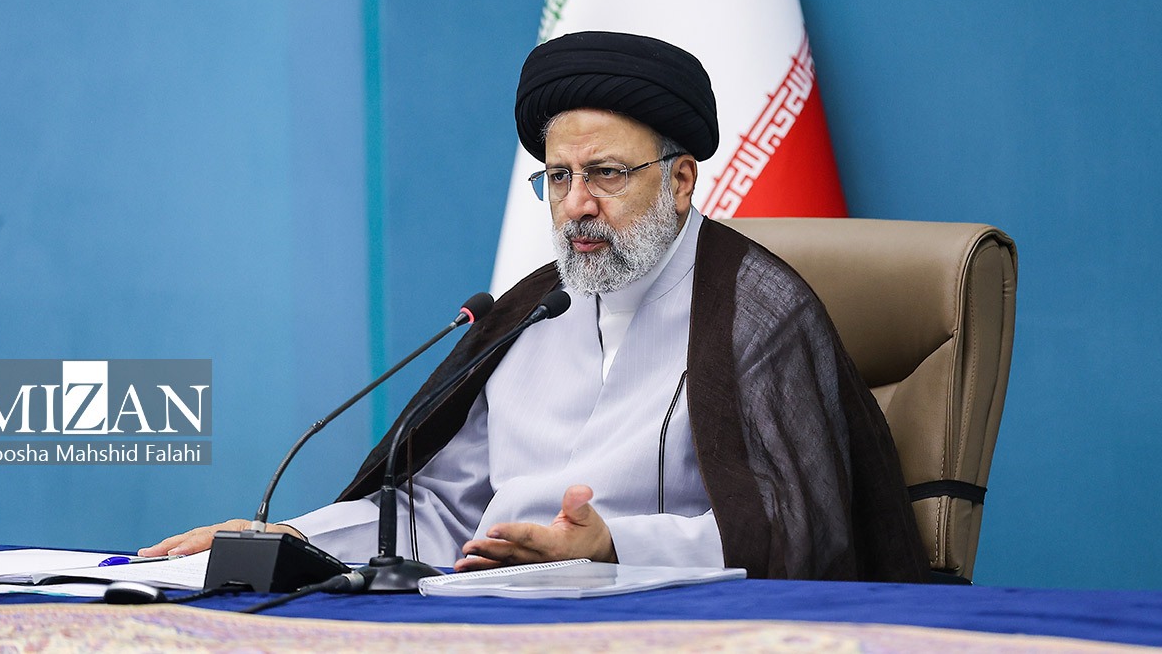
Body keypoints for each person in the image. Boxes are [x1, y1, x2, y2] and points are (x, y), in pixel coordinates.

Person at [143, 30, 928, 582]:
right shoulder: (530, 312)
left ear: (681, 180)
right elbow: (442, 511)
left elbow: (801, 530)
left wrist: (613, 545)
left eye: (607, 173)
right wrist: (288, 539)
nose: (577, 203)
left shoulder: (758, 310)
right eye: (558, 177)